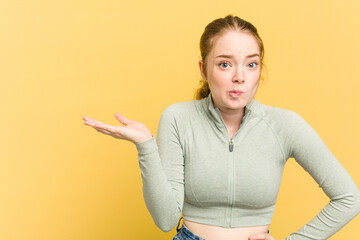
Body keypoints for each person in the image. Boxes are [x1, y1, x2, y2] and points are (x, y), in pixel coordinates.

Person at [82, 15, 360, 240]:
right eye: (225, 64)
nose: (239, 77)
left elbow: (349, 198)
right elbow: (166, 220)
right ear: (204, 70)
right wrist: (145, 145)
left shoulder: (285, 125)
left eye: (251, 64)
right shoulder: (178, 118)